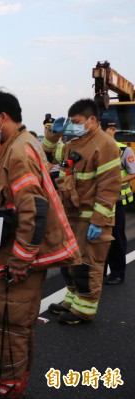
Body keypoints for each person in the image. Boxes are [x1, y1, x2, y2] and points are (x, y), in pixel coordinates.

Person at [0, 91, 81, 399]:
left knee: (7, 323)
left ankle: (3, 390)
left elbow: (33, 210)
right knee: (17, 323)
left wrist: (19, 260)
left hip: (20, 256)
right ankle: (6, 379)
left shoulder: (20, 151)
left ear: (2, 117)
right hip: (18, 251)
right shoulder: (17, 144)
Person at [43, 99, 121, 324]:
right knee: (70, 263)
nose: (73, 126)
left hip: (91, 217)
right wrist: (52, 135)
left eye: (77, 122)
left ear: (92, 120)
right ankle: (72, 299)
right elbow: (49, 156)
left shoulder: (105, 145)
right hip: (72, 214)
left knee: (88, 265)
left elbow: (109, 186)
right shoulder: (75, 142)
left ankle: (84, 309)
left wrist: (98, 220)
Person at [100, 116, 135, 284]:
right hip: (99, 201)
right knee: (100, 239)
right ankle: (99, 273)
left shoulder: (124, 150)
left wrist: (115, 181)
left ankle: (117, 273)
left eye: (110, 129)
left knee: (116, 237)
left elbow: (132, 172)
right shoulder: (96, 150)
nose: (110, 131)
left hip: (117, 201)